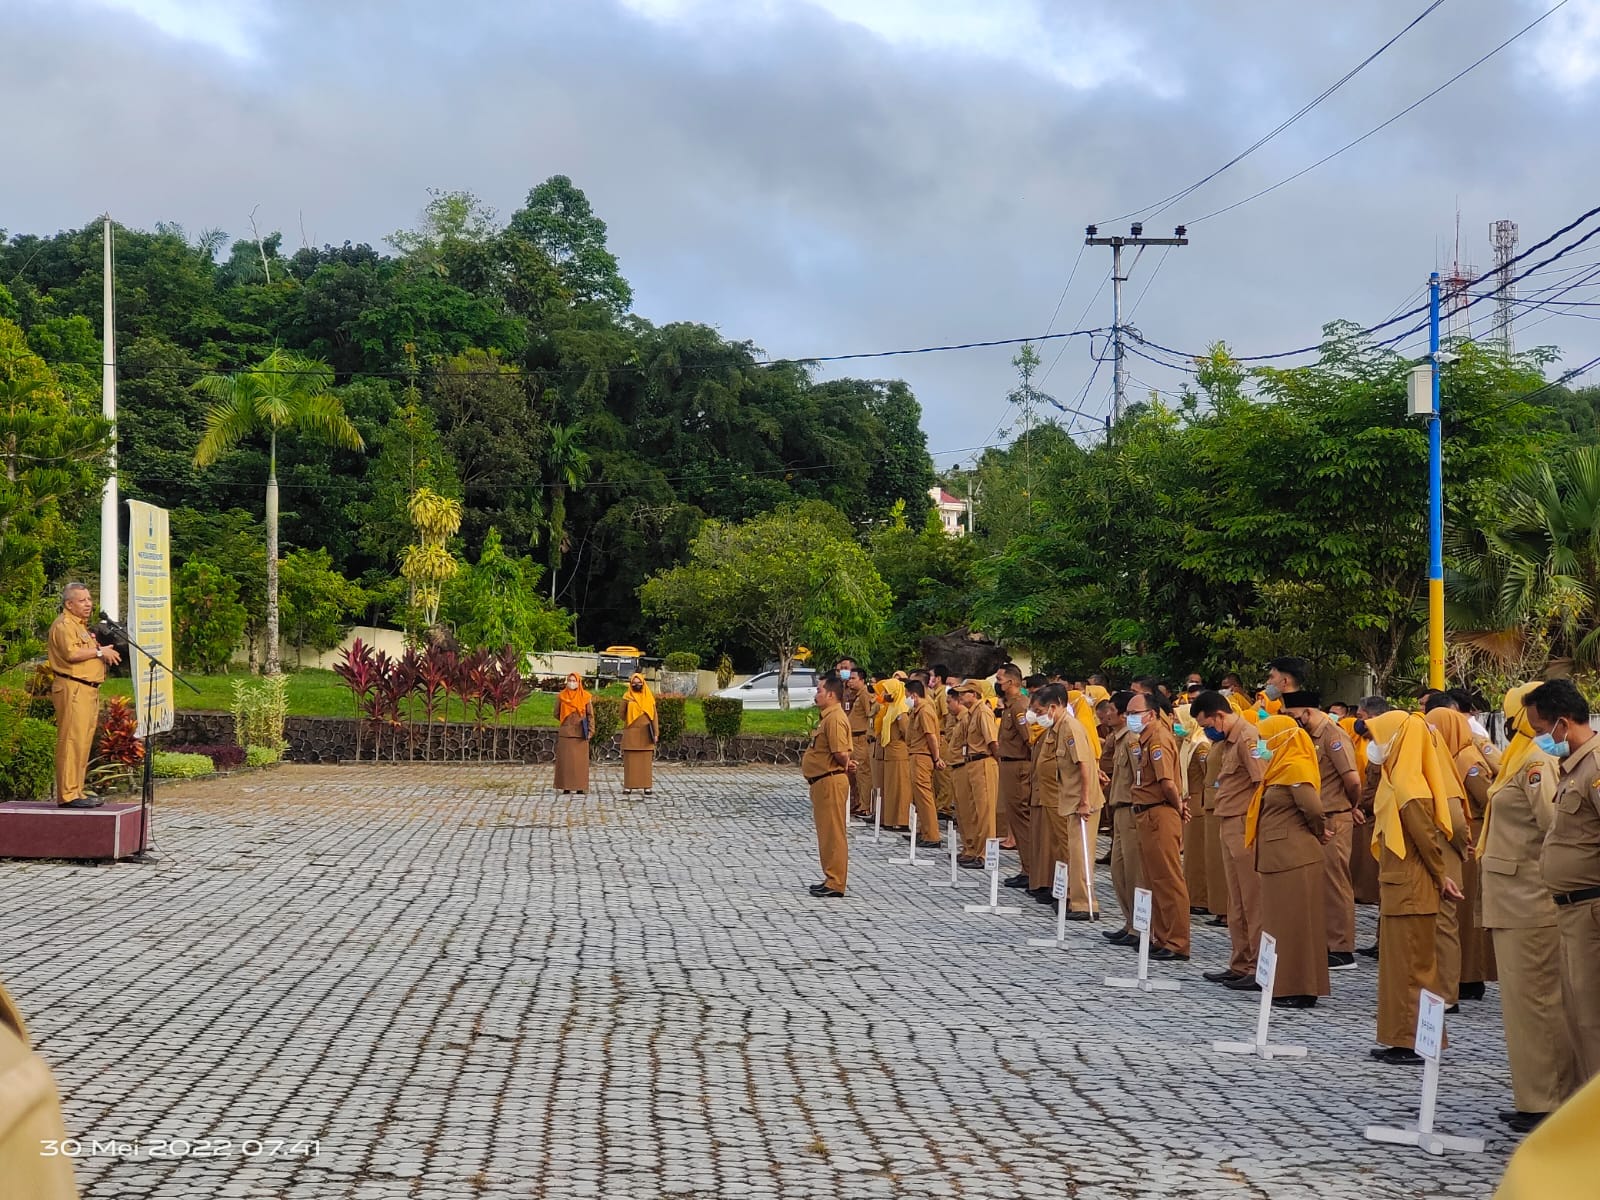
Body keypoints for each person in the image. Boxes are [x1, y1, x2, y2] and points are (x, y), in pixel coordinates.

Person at [1479, 682, 1579, 1135]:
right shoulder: (1520, 759)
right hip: (1512, 898)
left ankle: (1549, 1099)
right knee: (1522, 1006)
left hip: (1530, 899)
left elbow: (1554, 829)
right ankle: (1534, 1094)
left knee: (1538, 1001)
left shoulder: (1537, 762)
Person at [1363, 708, 1464, 1065]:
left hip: (1412, 889)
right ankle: (1399, 1037)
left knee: (1412, 970)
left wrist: (1441, 878)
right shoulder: (1398, 781)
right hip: (1401, 887)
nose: (1374, 745)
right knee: (1398, 969)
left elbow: (1427, 843)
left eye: (1380, 737)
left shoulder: (1409, 788)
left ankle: (1415, 1041)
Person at [1522, 679, 1600, 1085]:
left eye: (1539, 730)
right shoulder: (1573, 767)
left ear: (1563, 724)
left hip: (1592, 910)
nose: (1538, 740)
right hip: (1573, 911)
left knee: (1592, 1022)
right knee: (1579, 1020)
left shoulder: (1596, 767)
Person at [1246, 715, 1329, 1008]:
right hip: (1280, 856)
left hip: (1294, 856)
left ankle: (1300, 986)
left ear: (1281, 738)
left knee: (1296, 924)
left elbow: (1313, 808)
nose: (1260, 744)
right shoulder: (1278, 767)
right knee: (1282, 922)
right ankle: (1284, 982)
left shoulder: (1296, 766)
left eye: (1265, 737)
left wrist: (1319, 832)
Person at [1192, 690, 1266, 989]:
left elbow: (1261, 782)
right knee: (1235, 901)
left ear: (1219, 716)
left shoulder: (1248, 738)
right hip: (1228, 821)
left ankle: (1258, 967)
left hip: (1244, 825)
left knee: (1252, 900)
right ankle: (1240, 963)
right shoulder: (1225, 742)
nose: (1207, 730)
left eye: (1207, 723)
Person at [1284, 691, 1363, 971]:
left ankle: (1341, 948)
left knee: (1334, 882)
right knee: (1316, 883)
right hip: (1315, 818)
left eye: (1294, 716)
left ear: (1307, 712)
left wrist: (1351, 806)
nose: (1292, 722)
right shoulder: (1306, 737)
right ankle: (1323, 941)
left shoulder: (1333, 736)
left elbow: (1352, 780)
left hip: (1334, 817)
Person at [1426, 704, 1498, 1002]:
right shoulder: (1450, 757)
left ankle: (1469, 977)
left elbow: (1486, 799)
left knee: (1466, 915)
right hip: (1466, 836)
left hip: (1471, 838)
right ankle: (1462, 975)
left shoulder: (1466, 759)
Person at [1124, 690, 1191, 959]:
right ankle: (1162, 936)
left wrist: (1178, 806)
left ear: (1151, 714)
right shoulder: (1146, 738)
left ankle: (1176, 941)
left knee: (1167, 879)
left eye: (1134, 714)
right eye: (1128, 714)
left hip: (1159, 813)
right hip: (1147, 813)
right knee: (1154, 879)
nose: (1130, 718)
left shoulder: (1158, 739)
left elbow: (1167, 782)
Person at [48, 582, 119, 808]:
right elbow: (71, 653)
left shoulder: (80, 626)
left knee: (82, 741)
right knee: (71, 741)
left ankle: (77, 790)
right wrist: (100, 651)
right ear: (69, 604)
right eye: (82, 600)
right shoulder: (63, 625)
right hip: (73, 688)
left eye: (89, 599)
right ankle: (68, 795)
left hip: (88, 690)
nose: (88, 604)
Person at [1040, 684, 1104, 917]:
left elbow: (1083, 765)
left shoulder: (1070, 728)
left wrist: (1085, 800)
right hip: (1071, 798)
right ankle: (1075, 899)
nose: (1037, 716)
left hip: (1081, 801)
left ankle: (1084, 904)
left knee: (1080, 853)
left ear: (1053, 707)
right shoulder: (1058, 728)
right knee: (1074, 852)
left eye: (1039, 710)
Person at [802, 674, 855, 898]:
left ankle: (836, 882)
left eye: (820, 691)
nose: (817, 694)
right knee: (827, 833)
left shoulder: (834, 718)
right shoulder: (827, 717)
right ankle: (830, 877)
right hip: (822, 781)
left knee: (833, 833)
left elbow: (840, 751)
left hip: (830, 779)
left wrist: (847, 763)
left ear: (831, 694)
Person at [1101, 691, 1145, 945]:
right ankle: (1129, 922)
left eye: (1111, 710)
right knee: (1118, 870)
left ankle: (1138, 927)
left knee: (1132, 870)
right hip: (1118, 808)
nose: (1107, 714)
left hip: (1130, 808)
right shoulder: (1118, 739)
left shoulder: (1131, 740)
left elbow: (1140, 774)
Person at [953, 679, 1000, 867]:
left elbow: (993, 742)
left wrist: (999, 764)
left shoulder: (983, 712)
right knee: (974, 811)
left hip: (983, 762)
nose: (961, 696)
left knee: (985, 811)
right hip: (972, 763)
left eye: (965, 693)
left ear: (975, 694)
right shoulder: (971, 714)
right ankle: (973, 850)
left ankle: (985, 855)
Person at [995, 665, 1035, 880]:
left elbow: (1029, 739)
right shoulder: (1010, 706)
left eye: (1001, 679)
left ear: (1011, 682)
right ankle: (1026, 867)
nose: (998, 683)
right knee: (1016, 819)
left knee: (1022, 819)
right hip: (1009, 764)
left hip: (1019, 766)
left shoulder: (1020, 707)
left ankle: (1030, 869)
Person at [1176, 703, 1210, 914]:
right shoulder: (1188, 744)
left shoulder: (1201, 746)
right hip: (1191, 800)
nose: (1177, 726)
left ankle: (1201, 898)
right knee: (1190, 857)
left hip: (1199, 803)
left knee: (1197, 856)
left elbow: (1209, 777)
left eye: (1180, 722)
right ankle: (1194, 894)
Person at [903, 680, 944, 847]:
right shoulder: (917, 710)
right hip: (916, 754)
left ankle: (932, 835)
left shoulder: (925, 710)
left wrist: (936, 758)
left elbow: (931, 736)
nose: (906, 699)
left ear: (914, 695)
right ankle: (922, 830)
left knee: (924, 796)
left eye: (907, 696)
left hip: (922, 755)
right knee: (919, 797)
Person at [838, 659, 875, 819]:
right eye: (849, 678)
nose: (850, 681)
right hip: (852, 738)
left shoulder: (865, 694)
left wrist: (869, 735)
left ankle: (865, 805)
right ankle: (856, 803)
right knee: (854, 774)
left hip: (861, 737)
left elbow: (871, 716)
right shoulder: (853, 695)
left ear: (862, 680)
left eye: (853, 678)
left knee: (862, 773)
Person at [876, 678, 912, 832]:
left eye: (887, 690)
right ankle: (889, 819)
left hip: (899, 753)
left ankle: (901, 819)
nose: (885, 694)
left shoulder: (901, 709)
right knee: (890, 788)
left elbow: (906, 732)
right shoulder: (891, 707)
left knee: (900, 788)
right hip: (889, 752)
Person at [554, 672, 594, 793]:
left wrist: (591, 731)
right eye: (570, 680)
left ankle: (580, 787)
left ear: (579, 682)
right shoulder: (561, 696)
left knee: (579, 763)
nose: (572, 683)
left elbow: (590, 715)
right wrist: (567, 721)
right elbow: (556, 713)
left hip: (581, 733)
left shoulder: (586, 697)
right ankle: (566, 786)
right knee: (566, 762)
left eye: (574, 680)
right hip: (566, 733)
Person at [620, 672, 658, 795]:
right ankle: (629, 786)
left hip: (646, 733)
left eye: (639, 682)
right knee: (631, 761)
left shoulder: (649, 697)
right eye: (634, 683)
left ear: (643, 682)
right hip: (631, 732)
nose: (637, 684)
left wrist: (656, 733)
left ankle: (646, 786)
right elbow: (621, 714)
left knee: (645, 762)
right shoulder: (627, 697)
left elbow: (654, 717)